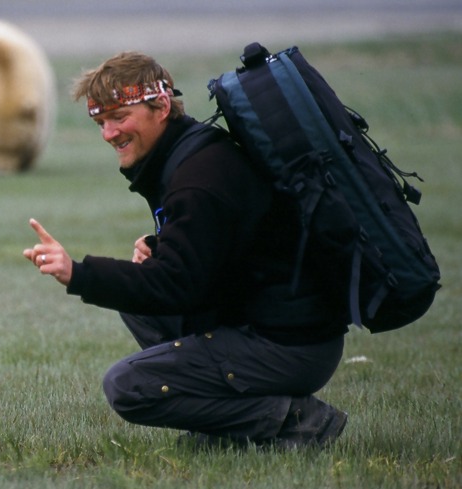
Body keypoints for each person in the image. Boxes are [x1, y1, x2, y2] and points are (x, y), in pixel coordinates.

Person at [22, 51, 349, 448]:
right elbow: (237, 242)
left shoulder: (198, 175)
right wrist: (163, 246)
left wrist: (79, 273)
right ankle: (231, 423)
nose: (109, 133)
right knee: (136, 300)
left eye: (119, 117)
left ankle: (295, 423)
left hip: (288, 347)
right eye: (101, 122)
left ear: (160, 106)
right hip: (284, 331)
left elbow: (176, 286)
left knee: (128, 386)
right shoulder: (191, 154)